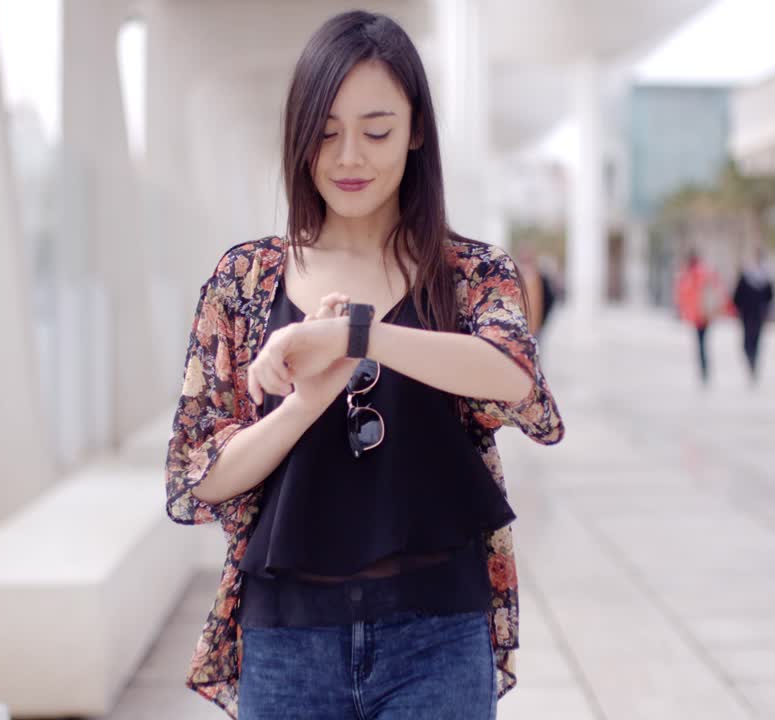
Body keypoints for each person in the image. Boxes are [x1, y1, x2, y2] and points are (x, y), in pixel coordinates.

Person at [165, 12, 564, 720]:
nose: (349, 157)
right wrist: (304, 402)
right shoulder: (245, 280)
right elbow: (200, 474)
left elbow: (513, 377)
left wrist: (358, 337)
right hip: (287, 642)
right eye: (326, 132)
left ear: (416, 132)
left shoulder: (468, 274)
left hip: (438, 634)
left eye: (376, 132)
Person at [675, 250, 727, 385]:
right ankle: (704, 369)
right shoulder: (706, 272)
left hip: (698, 315)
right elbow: (718, 291)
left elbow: (683, 295)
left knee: (701, 343)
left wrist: (684, 311)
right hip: (705, 314)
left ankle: (704, 369)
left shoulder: (690, 275)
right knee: (703, 343)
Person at [732, 249, 775, 384]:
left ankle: (753, 361)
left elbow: (770, 296)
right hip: (750, 313)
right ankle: (752, 360)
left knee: (753, 340)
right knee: (749, 341)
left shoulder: (763, 276)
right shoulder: (750, 275)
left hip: (754, 314)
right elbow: (738, 295)